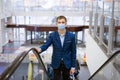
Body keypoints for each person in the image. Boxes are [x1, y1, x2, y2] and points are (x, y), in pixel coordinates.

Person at [36, 15, 76, 80]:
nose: (61, 24)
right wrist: (40, 49)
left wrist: (73, 67)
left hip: (67, 63)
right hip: (56, 62)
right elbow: (46, 45)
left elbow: (74, 52)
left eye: (63, 22)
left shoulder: (71, 36)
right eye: (59, 22)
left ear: (66, 23)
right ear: (56, 24)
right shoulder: (52, 35)